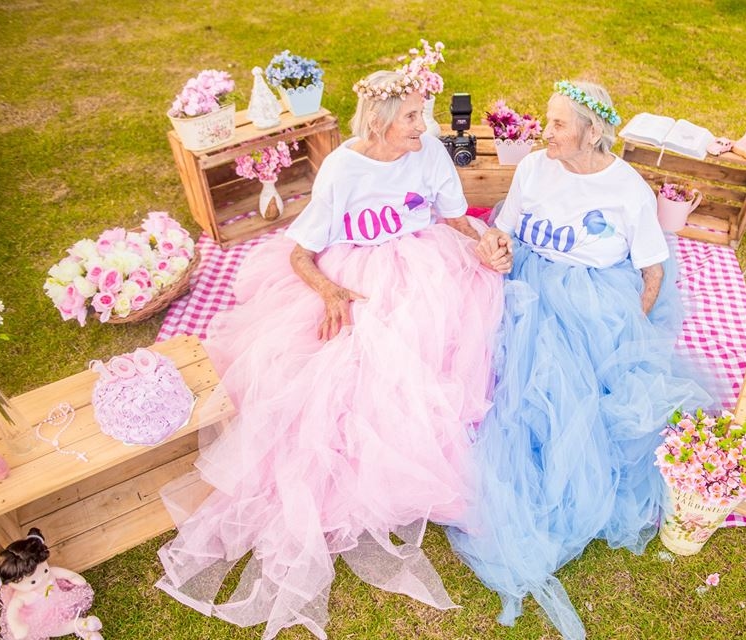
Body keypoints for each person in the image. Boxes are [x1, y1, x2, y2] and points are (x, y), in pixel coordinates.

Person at [156, 70, 507, 640]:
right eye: (415, 117)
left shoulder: (431, 154)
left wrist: (481, 239)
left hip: (426, 265)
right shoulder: (344, 167)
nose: (427, 125)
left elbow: (453, 216)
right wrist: (329, 291)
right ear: (380, 121)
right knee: (343, 365)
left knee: (443, 336)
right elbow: (301, 253)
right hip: (357, 270)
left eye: (427, 113)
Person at [446, 80, 725, 639]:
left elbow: (652, 273)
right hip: (526, 277)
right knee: (476, 357)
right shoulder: (534, 169)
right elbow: (504, 230)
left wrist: (629, 336)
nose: (543, 132)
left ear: (592, 132)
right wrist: (498, 249)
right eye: (547, 121)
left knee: (561, 388)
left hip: (590, 298)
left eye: (556, 124)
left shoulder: (628, 190)